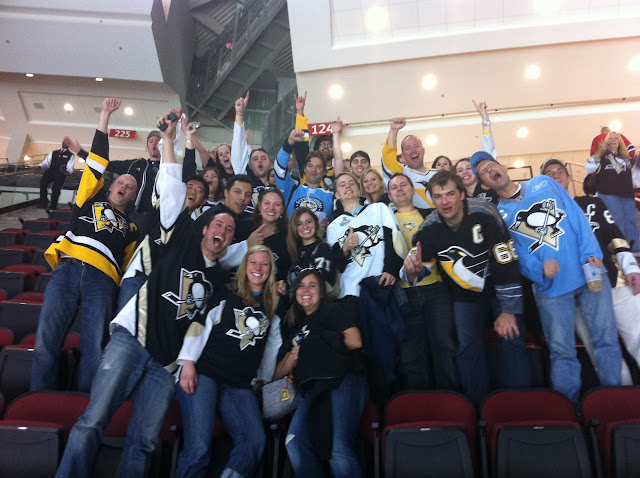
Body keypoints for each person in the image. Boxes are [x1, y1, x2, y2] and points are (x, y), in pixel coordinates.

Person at [56, 107, 237, 477]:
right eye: (217, 222)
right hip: (132, 339)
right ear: (203, 228)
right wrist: (169, 140)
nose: (222, 229)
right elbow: (170, 189)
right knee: (92, 421)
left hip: (165, 364)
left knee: (144, 442)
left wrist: (184, 361)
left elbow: (199, 327)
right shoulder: (178, 239)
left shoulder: (219, 279)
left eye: (229, 229)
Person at [472, 150, 623, 403]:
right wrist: (538, 269)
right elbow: (516, 253)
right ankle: (569, 408)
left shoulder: (543, 182)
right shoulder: (499, 217)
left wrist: (590, 252)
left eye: (491, 165)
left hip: (588, 271)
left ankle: (614, 401)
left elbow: (575, 215)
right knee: (561, 352)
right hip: (551, 288)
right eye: (483, 172)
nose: (490, 170)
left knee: (606, 341)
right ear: (485, 185)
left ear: (504, 167)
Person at [31, 98, 138, 394]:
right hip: (67, 270)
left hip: (103, 280)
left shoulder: (131, 228)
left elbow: (127, 268)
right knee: (45, 342)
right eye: (121, 182)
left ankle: (83, 402)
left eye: (130, 187)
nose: (124, 186)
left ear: (132, 197)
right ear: (110, 185)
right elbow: (98, 160)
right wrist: (104, 115)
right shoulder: (88, 199)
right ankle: (39, 398)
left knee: (95, 348)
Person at [403, 171, 530, 406]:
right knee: (467, 348)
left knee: (512, 339)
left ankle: (519, 405)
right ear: (431, 199)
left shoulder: (485, 212)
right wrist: (411, 272)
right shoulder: (428, 228)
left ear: (462, 194)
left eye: (450, 194)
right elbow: (421, 268)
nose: (445, 201)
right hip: (463, 297)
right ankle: (477, 408)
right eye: (438, 196)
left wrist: (508, 310)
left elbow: (506, 260)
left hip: (499, 289)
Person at [174, 245, 282, 478]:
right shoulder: (226, 293)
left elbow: (271, 348)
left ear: (270, 270)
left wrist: (262, 380)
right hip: (205, 373)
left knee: (254, 441)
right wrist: (188, 363)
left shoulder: (273, 306)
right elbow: (200, 324)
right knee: (199, 448)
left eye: (264, 264)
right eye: (253, 262)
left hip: (238, 384)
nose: (258, 267)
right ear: (245, 266)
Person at [542, 158, 640, 384]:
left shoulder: (591, 203)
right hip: (578, 292)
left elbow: (615, 235)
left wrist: (631, 267)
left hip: (614, 283)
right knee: (601, 351)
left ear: (568, 177)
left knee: (637, 336)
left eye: (559, 171)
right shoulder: (542, 218)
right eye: (549, 173)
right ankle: (620, 399)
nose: (555, 175)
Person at [276, 269, 367, 478]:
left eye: (312, 285)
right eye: (301, 286)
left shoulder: (331, 310)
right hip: (312, 390)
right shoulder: (296, 330)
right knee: (295, 442)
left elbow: (355, 341)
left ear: (321, 292)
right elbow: (277, 376)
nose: (306, 290)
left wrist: (317, 345)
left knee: (339, 451)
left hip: (343, 380)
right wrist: (292, 358)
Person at [387, 173, 459, 391]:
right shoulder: (384, 221)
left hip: (437, 291)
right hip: (403, 295)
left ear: (413, 189)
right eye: (394, 187)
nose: (399, 189)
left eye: (403, 184)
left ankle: (452, 399)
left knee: (445, 348)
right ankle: (419, 403)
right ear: (389, 196)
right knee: (411, 355)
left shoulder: (433, 215)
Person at [382, 99, 496, 208]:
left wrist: (485, 121)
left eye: (416, 146)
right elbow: (388, 159)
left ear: (423, 151)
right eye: (408, 148)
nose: (413, 150)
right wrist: (393, 131)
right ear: (403, 156)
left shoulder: (440, 174)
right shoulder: (403, 175)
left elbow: (485, 162)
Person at [327, 172, 406, 318]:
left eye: (351, 183)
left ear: (359, 189)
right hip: (351, 293)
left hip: (382, 285)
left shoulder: (379, 209)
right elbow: (337, 266)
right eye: (342, 185)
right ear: (337, 194)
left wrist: (391, 269)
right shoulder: (333, 226)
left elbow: (396, 242)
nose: (348, 187)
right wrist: (345, 248)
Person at [585, 131, 640, 252]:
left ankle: (635, 248)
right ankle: (620, 249)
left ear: (620, 141)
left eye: (616, 138)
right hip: (608, 194)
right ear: (607, 141)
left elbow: (636, 178)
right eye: (610, 138)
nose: (613, 140)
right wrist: (599, 153)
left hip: (627, 194)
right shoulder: (601, 156)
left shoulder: (627, 158)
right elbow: (588, 168)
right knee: (616, 221)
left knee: (630, 221)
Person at [275, 129, 335, 224]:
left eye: (318, 167)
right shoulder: (291, 189)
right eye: (310, 166)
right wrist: (289, 143)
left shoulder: (331, 196)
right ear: (304, 169)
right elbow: (279, 168)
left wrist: (329, 227)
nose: (314, 170)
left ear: (324, 171)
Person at [231, 92, 272, 214]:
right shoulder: (244, 177)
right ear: (249, 165)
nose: (259, 161)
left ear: (270, 164)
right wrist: (240, 114)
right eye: (255, 159)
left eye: (263, 158)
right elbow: (238, 149)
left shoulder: (278, 186)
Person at [287, 207, 339, 295]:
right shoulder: (294, 251)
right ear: (294, 228)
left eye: (309, 222)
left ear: (315, 222)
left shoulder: (323, 248)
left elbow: (325, 284)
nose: (305, 226)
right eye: (299, 224)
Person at [39, 139, 76, 210]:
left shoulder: (70, 155)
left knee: (56, 188)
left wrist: (68, 171)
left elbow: (70, 166)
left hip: (61, 173)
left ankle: (53, 205)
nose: (65, 144)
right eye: (65, 142)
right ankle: (43, 203)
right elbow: (47, 162)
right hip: (51, 171)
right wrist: (40, 166)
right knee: (43, 183)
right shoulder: (54, 152)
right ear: (62, 143)